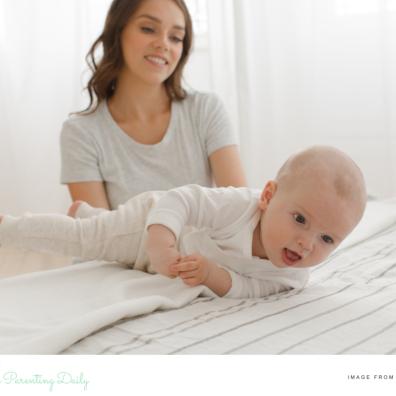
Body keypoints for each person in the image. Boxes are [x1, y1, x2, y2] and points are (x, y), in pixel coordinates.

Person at [0, 146, 367, 298]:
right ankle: (9, 227)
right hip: (153, 224)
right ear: (268, 197)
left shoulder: (293, 275)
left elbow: (247, 287)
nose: (306, 244)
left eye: (327, 239)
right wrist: (161, 241)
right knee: (86, 240)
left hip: (167, 256)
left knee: (104, 234)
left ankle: (89, 213)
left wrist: (212, 276)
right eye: (300, 219)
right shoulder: (238, 206)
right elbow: (182, 199)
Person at [60, 0, 246, 211]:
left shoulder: (205, 110)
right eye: (148, 29)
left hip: (207, 245)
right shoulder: (81, 133)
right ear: (117, 32)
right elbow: (100, 236)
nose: (163, 44)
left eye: (175, 37)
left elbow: (239, 211)